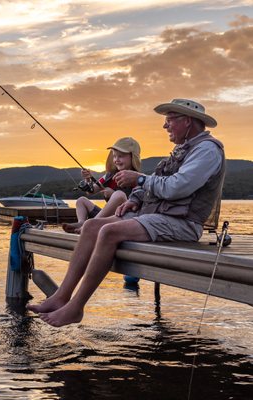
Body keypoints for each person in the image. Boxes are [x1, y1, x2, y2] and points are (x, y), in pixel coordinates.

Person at [27, 99, 226, 327]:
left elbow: (177, 186)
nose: (165, 126)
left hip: (183, 223)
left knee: (110, 231)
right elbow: (155, 184)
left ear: (187, 121)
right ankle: (61, 296)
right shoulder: (184, 150)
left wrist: (140, 178)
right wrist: (134, 199)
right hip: (158, 216)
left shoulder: (207, 150)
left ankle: (76, 307)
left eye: (169, 120)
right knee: (91, 226)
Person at [62, 137, 141, 234]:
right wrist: (88, 178)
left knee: (119, 195)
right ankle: (82, 223)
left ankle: (90, 224)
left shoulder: (136, 179)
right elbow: (91, 192)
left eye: (121, 156)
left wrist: (113, 194)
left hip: (122, 217)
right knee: (81, 200)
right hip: (104, 216)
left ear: (133, 157)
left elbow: (136, 204)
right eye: (115, 156)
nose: (116, 160)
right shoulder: (109, 176)